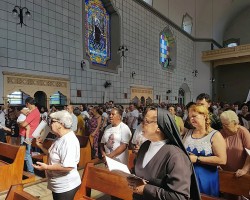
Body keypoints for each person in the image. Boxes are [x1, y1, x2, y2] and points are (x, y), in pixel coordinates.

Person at [127, 107, 201, 200]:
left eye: (146, 121)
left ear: (158, 127)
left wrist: (146, 189)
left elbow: (179, 197)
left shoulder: (176, 156)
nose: (141, 124)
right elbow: (138, 170)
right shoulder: (144, 146)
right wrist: (132, 178)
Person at [33, 110, 81, 200]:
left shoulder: (69, 141)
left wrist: (46, 167)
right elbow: (54, 155)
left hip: (66, 186)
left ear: (61, 124)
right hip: (57, 183)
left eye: (52, 121)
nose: (50, 124)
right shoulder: (59, 137)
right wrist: (41, 146)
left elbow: (68, 167)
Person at [183, 104, 227, 197]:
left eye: (194, 116)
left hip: (206, 178)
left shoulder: (215, 135)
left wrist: (197, 159)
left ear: (204, 116)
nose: (191, 119)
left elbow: (222, 160)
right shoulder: (188, 133)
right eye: (190, 117)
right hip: (187, 177)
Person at [220, 110, 250, 176]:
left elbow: (249, 152)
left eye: (227, 124)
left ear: (235, 123)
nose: (224, 127)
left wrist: (244, 169)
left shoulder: (243, 132)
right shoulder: (221, 133)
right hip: (224, 173)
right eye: (222, 124)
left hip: (241, 174)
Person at [19, 97, 40, 174]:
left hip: (27, 135)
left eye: (26, 105)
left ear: (28, 103)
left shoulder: (34, 112)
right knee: (25, 153)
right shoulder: (33, 111)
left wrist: (18, 123)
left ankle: (31, 172)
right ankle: (26, 171)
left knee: (27, 154)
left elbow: (24, 124)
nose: (26, 107)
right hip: (26, 134)